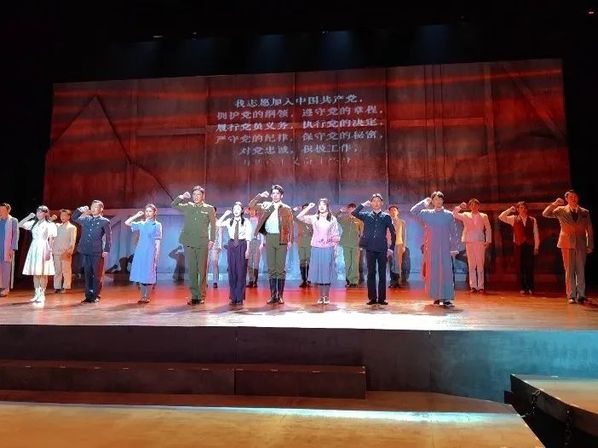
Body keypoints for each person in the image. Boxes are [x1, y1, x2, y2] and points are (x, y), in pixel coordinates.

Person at [542, 190, 593, 304]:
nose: (573, 198)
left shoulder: (585, 212)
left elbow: (589, 229)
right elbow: (545, 214)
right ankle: (571, 295)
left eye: (575, 196)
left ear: (578, 198)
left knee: (581, 270)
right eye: (571, 197)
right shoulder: (561, 210)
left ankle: (581, 295)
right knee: (569, 270)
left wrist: (590, 244)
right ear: (566, 199)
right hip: (567, 243)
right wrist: (555, 204)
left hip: (581, 244)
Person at [411, 192, 459, 307]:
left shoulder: (448, 215)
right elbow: (413, 211)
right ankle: (436, 297)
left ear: (443, 200)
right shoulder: (427, 213)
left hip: (445, 247)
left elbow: (454, 232)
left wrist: (454, 248)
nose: (438, 201)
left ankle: (446, 297)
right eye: (435, 199)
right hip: (432, 247)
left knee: (446, 272)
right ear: (432, 201)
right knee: (433, 272)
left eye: (440, 199)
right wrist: (424, 203)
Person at [249, 184, 294, 305]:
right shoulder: (266, 205)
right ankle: (273, 295)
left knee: (280, 268)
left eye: (277, 193)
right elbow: (251, 205)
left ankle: (280, 296)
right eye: (273, 193)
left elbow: (290, 225)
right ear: (271, 195)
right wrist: (260, 196)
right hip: (269, 238)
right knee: (271, 268)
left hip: (282, 238)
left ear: (281, 195)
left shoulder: (286, 208)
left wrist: (290, 240)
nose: (275, 195)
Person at [171, 186, 216, 305]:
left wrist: (212, 240)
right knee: (192, 270)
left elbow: (213, 225)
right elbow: (174, 204)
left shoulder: (209, 208)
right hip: (190, 242)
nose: (196, 197)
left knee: (202, 270)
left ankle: (201, 295)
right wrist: (182, 196)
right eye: (194, 194)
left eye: (198, 194)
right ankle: (194, 296)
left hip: (202, 242)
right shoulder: (189, 206)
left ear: (203, 196)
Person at [352, 193, 396, 305]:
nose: (376, 203)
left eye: (378, 201)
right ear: (371, 203)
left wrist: (391, 248)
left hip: (382, 249)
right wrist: (363, 205)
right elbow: (354, 213)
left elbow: (393, 232)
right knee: (371, 273)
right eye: (374, 201)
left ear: (382, 203)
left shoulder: (386, 216)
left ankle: (382, 298)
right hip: (370, 248)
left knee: (382, 274)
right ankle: (372, 298)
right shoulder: (366, 215)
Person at [296, 199, 340, 304]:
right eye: (320, 205)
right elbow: (299, 217)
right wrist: (308, 207)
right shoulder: (314, 218)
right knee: (319, 272)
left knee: (326, 272)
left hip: (328, 248)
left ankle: (327, 296)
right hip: (316, 248)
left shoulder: (332, 219)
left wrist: (335, 248)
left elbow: (335, 234)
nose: (321, 206)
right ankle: (321, 296)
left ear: (327, 206)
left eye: (324, 204)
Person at [72, 200, 112, 303]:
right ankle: (88, 296)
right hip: (86, 250)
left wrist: (107, 249)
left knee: (96, 274)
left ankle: (96, 295)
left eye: (96, 207)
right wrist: (80, 210)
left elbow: (109, 237)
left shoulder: (105, 221)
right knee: (88, 274)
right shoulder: (87, 219)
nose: (93, 209)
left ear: (101, 209)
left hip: (96, 251)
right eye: (92, 207)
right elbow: (74, 217)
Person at [18, 206, 57, 304]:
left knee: (43, 272)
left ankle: (42, 294)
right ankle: (37, 293)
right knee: (36, 272)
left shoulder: (50, 224)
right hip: (34, 247)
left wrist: (49, 251)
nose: (39, 214)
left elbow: (51, 239)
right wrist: (29, 217)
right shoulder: (33, 223)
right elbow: (19, 224)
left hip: (44, 247)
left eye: (41, 212)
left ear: (46, 213)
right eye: (37, 212)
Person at [499, 202, 540, 295]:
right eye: (521, 208)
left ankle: (530, 287)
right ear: (518, 209)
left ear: (527, 209)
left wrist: (536, 247)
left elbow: (536, 234)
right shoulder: (513, 218)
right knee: (520, 267)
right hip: (518, 245)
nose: (523, 209)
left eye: (524, 208)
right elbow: (501, 217)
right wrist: (510, 210)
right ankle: (522, 287)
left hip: (529, 245)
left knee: (529, 266)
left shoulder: (532, 220)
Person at [124, 204, 162, 304]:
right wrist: (136, 215)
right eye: (146, 211)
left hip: (150, 251)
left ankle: (147, 296)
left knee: (149, 273)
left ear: (154, 213)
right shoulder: (141, 223)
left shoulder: (157, 225)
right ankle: (142, 296)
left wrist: (157, 254)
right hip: (140, 251)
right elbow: (127, 223)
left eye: (150, 211)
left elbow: (158, 240)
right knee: (141, 273)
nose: (148, 213)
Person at [452, 199, 492, 293]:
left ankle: (481, 286)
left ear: (478, 206)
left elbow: (488, 228)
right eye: (472, 205)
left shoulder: (483, 215)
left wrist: (488, 240)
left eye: (475, 205)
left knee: (480, 264)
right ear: (469, 206)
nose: (473, 206)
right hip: (469, 241)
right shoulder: (466, 214)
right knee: (471, 264)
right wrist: (460, 207)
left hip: (479, 241)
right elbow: (454, 214)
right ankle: (473, 286)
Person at [216, 202, 253, 305]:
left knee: (241, 271)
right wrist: (225, 214)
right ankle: (233, 297)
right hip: (232, 245)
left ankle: (240, 297)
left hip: (242, 244)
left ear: (242, 210)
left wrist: (248, 249)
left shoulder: (246, 221)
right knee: (232, 271)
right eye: (234, 209)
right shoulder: (229, 221)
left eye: (238, 209)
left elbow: (248, 236)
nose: (236, 211)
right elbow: (218, 224)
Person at [337, 203, 363, 288]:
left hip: (356, 244)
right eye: (350, 210)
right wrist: (340, 211)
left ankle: (354, 281)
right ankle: (348, 280)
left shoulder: (359, 220)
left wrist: (361, 244)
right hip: (346, 244)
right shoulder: (344, 219)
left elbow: (362, 233)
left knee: (355, 263)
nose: (352, 211)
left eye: (353, 210)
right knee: (347, 262)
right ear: (348, 210)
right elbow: (334, 218)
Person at [51, 209, 77, 293]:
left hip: (65, 252)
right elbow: (48, 224)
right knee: (57, 270)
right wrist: (52, 219)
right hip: (56, 251)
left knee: (66, 270)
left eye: (64, 215)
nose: (62, 217)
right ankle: (57, 287)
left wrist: (69, 251)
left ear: (69, 217)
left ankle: (66, 286)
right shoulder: (57, 226)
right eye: (61, 215)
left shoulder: (72, 227)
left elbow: (72, 241)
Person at [0, 203, 19, 297]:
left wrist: (13, 248)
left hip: (7, 248)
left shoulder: (13, 220)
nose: (1, 212)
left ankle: (5, 288)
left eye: (3, 210)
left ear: (8, 210)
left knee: (6, 269)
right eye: (0, 210)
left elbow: (15, 235)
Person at [293, 203, 313, 288]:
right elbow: (291, 216)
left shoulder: (311, 219)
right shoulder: (299, 219)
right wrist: (294, 209)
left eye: (307, 209)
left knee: (309, 260)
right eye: (304, 209)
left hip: (309, 241)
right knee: (302, 260)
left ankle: (309, 280)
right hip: (301, 242)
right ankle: (304, 280)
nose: (306, 210)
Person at [387, 205, 406, 288]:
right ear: (389, 212)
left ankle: (398, 281)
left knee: (398, 263)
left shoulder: (402, 222)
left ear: (397, 212)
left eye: (394, 210)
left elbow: (404, 235)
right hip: (389, 245)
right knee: (391, 263)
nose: (393, 212)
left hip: (399, 244)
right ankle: (392, 282)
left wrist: (404, 246)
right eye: (391, 210)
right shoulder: (386, 222)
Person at [245, 206, 264, 288]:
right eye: (250, 210)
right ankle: (251, 280)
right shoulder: (247, 221)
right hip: (249, 242)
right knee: (249, 262)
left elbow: (262, 232)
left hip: (257, 242)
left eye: (253, 210)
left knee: (256, 262)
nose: (252, 212)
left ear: (256, 211)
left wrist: (262, 243)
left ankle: (255, 281)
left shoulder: (259, 220)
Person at [209, 207, 223, 289]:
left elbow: (220, 234)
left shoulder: (218, 222)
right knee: (205, 264)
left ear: (215, 212)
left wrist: (220, 246)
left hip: (215, 245)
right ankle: (204, 281)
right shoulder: (206, 222)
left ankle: (215, 281)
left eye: (213, 211)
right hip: (206, 244)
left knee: (214, 263)